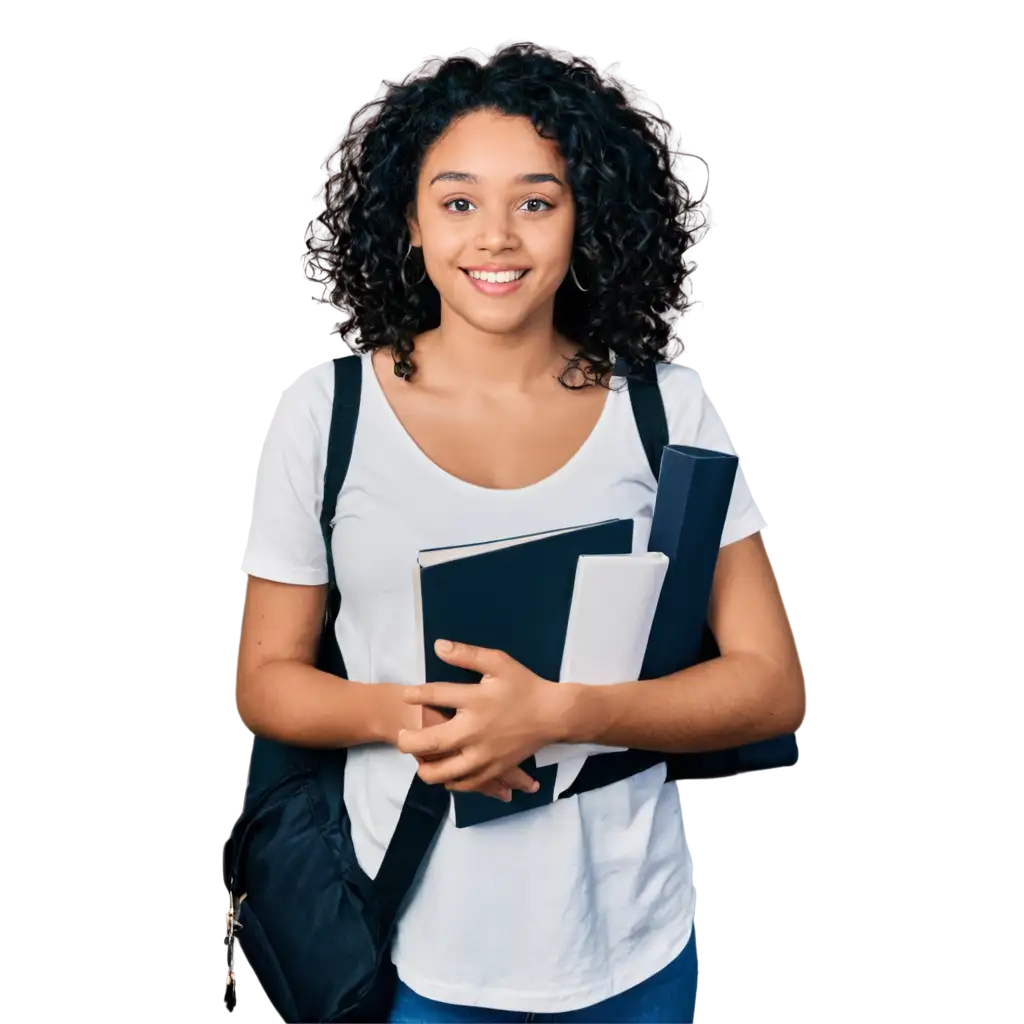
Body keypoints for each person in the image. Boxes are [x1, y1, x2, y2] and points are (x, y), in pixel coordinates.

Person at [234, 39, 802, 1024]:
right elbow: (264, 679)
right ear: (409, 223)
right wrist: (416, 722)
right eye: (457, 202)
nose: (495, 238)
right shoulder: (320, 414)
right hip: (407, 939)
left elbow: (766, 684)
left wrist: (556, 712)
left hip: (632, 936)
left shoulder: (669, 411)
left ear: (583, 221)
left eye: (536, 201)